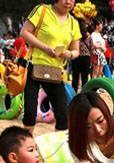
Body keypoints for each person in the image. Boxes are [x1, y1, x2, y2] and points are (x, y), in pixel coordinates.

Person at [19, 0, 81, 132]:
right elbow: (24, 32)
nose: (68, 2)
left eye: (72, 0)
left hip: (55, 71)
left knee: (63, 113)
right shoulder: (42, 11)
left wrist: (69, 53)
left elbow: (76, 50)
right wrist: (45, 48)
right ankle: (27, 143)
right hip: (33, 66)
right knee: (30, 112)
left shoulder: (73, 23)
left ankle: (58, 145)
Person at [72, 19, 93, 92]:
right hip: (86, 58)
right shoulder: (88, 35)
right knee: (85, 78)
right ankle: (84, 93)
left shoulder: (74, 34)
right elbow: (91, 47)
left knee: (75, 77)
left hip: (76, 57)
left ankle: (74, 93)